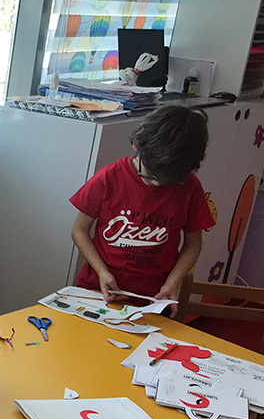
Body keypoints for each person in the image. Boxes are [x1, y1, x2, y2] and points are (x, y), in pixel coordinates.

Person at [70, 105, 216, 305]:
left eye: (167, 180)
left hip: (154, 297)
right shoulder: (109, 177)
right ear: (136, 146)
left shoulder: (189, 187)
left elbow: (193, 244)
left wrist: (173, 282)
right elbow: (79, 230)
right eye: (150, 174)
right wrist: (102, 272)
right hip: (100, 288)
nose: (156, 184)